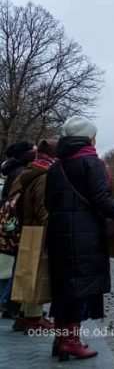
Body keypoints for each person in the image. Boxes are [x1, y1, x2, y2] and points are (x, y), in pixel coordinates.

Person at [46, 117, 114, 361]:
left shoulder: (56, 166)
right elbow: (103, 200)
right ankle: (71, 341)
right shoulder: (91, 162)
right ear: (88, 137)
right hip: (85, 237)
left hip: (58, 236)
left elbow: (49, 202)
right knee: (79, 290)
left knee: (64, 289)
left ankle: (61, 340)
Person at [7, 140, 58, 333]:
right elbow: (43, 208)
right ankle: (32, 318)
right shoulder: (44, 175)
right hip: (37, 230)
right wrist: (53, 228)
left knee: (26, 272)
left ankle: (23, 315)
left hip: (25, 228)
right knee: (36, 275)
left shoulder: (28, 171)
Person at [0, 142, 37, 321]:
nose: (35, 151)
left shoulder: (13, 170)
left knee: (14, 264)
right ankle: (9, 303)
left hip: (11, 223)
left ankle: (10, 303)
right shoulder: (21, 172)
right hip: (18, 224)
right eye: (32, 148)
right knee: (18, 265)